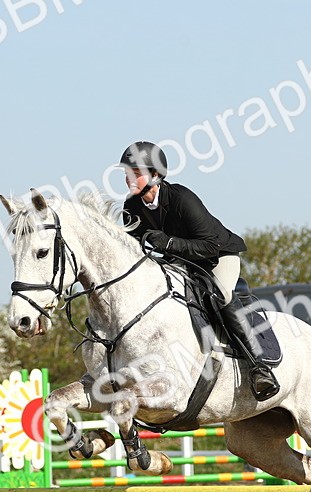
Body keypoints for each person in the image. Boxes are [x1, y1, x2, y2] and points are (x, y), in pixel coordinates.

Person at [117, 141, 280, 402]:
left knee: (220, 294)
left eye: (136, 173)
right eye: (127, 173)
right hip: (179, 262)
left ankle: (259, 366)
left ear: (156, 175)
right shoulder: (131, 208)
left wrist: (169, 243)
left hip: (217, 257)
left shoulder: (182, 198)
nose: (129, 178)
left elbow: (210, 244)